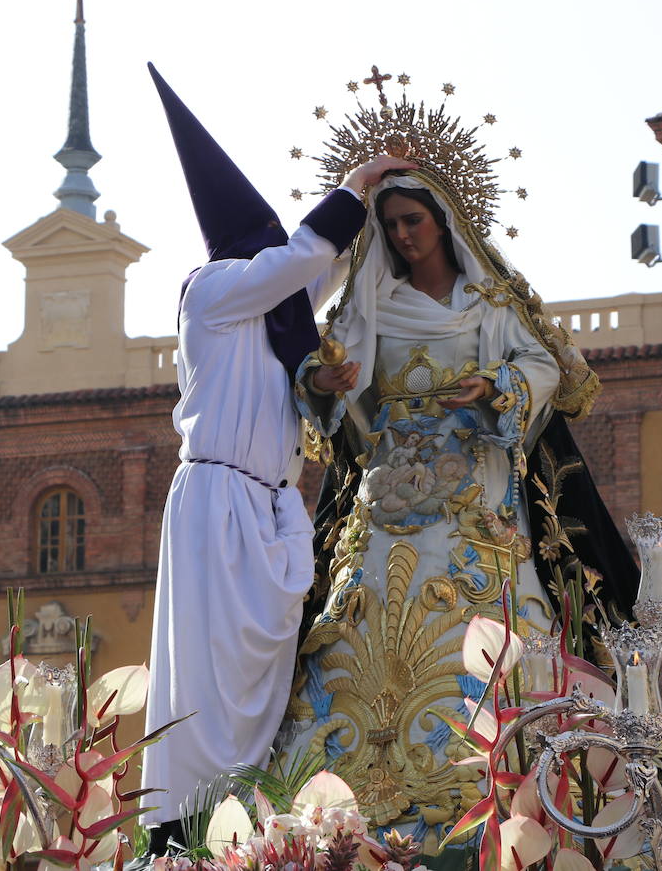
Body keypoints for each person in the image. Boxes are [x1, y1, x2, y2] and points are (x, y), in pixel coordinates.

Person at [280, 167, 638, 851]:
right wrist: (324, 380)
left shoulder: (489, 302)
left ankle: (516, 807)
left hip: (475, 506)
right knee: (356, 637)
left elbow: (544, 370)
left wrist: (491, 389)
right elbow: (329, 387)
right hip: (387, 508)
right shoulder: (373, 301)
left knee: (494, 639)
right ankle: (341, 817)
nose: (402, 236)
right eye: (389, 226)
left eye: (412, 220)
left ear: (442, 220)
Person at [139, 64, 414, 853]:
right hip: (218, 508)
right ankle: (190, 840)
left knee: (261, 685)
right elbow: (298, 264)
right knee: (214, 684)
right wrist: (354, 186)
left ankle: (256, 830)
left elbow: (311, 278)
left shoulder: (263, 323)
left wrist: (320, 377)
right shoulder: (213, 290)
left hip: (264, 510)